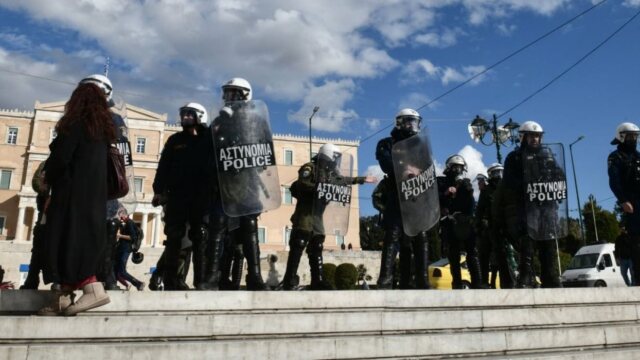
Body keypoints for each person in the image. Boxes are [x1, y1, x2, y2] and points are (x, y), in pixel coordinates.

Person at [38, 82, 115, 316]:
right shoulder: (104, 132)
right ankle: (61, 297)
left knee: (63, 239)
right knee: (80, 240)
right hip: (95, 199)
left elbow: (60, 159)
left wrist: (47, 178)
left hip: (70, 196)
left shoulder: (74, 126)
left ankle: (92, 289)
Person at [279, 143, 374, 290]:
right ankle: (289, 280)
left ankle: (318, 280)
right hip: (305, 215)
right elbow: (303, 183)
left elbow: (342, 180)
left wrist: (360, 179)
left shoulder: (330, 174)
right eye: (334, 157)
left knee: (316, 247)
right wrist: (319, 187)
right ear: (327, 156)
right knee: (298, 245)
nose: (336, 161)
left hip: (317, 217)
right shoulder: (310, 168)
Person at [211, 78, 276, 290]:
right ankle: (217, 276)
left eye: (231, 94)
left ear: (243, 95)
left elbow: (266, 148)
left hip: (248, 182)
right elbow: (211, 149)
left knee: (249, 227)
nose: (226, 98)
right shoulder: (219, 122)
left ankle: (254, 275)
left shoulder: (256, 120)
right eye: (226, 93)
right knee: (222, 228)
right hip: (226, 184)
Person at [152, 103, 212, 290]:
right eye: (183, 114)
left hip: (202, 197)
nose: (185, 117)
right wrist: (158, 190)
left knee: (200, 236)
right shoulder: (174, 140)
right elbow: (163, 167)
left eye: (189, 114)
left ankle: (201, 281)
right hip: (177, 196)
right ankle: (172, 280)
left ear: (200, 116)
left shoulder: (210, 139)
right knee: (175, 238)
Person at [375, 109, 434, 289]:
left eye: (414, 122)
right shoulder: (386, 143)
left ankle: (423, 279)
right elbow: (386, 164)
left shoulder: (419, 146)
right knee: (392, 235)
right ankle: (385, 279)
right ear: (399, 122)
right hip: (396, 194)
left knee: (421, 237)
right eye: (408, 121)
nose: (411, 125)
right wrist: (403, 167)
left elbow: (428, 170)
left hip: (417, 197)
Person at [501, 121, 562, 288]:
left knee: (548, 241)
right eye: (532, 136)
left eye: (538, 136)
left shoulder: (548, 156)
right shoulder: (514, 158)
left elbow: (559, 175)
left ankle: (550, 276)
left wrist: (559, 189)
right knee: (528, 242)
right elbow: (508, 182)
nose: (535, 139)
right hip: (527, 207)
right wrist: (525, 185)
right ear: (523, 137)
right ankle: (526, 276)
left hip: (547, 206)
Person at [80, 74, 128, 291]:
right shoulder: (76, 117)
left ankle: (106, 274)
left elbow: (121, 155)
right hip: (83, 184)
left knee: (109, 228)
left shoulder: (115, 120)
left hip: (106, 184)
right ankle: (83, 275)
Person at [438, 155, 483, 289]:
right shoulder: (441, 182)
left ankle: (478, 283)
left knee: (472, 252)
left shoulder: (466, 183)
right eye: (455, 167)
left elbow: (471, 206)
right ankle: (456, 283)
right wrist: (445, 193)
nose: (458, 170)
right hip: (449, 222)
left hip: (465, 222)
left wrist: (467, 190)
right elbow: (433, 199)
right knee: (453, 254)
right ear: (449, 168)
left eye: (460, 167)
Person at [609, 122, 640, 287]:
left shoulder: (638, 156)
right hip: (631, 203)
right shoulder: (616, 157)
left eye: (635, 136)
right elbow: (614, 182)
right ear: (621, 136)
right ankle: (638, 279)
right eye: (630, 136)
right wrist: (623, 200)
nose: (633, 139)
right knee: (637, 241)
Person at [20, 161, 49, 289]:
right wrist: (46, 192)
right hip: (46, 210)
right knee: (39, 244)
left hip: (65, 210)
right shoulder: (46, 164)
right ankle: (32, 278)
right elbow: (36, 181)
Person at [114, 209, 145, 291]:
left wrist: (120, 235)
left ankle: (139, 283)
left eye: (120, 216)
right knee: (117, 271)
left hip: (126, 249)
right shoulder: (125, 223)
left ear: (125, 215)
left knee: (122, 271)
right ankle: (133, 285)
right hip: (121, 249)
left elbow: (132, 237)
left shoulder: (129, 223)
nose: (119, 218)